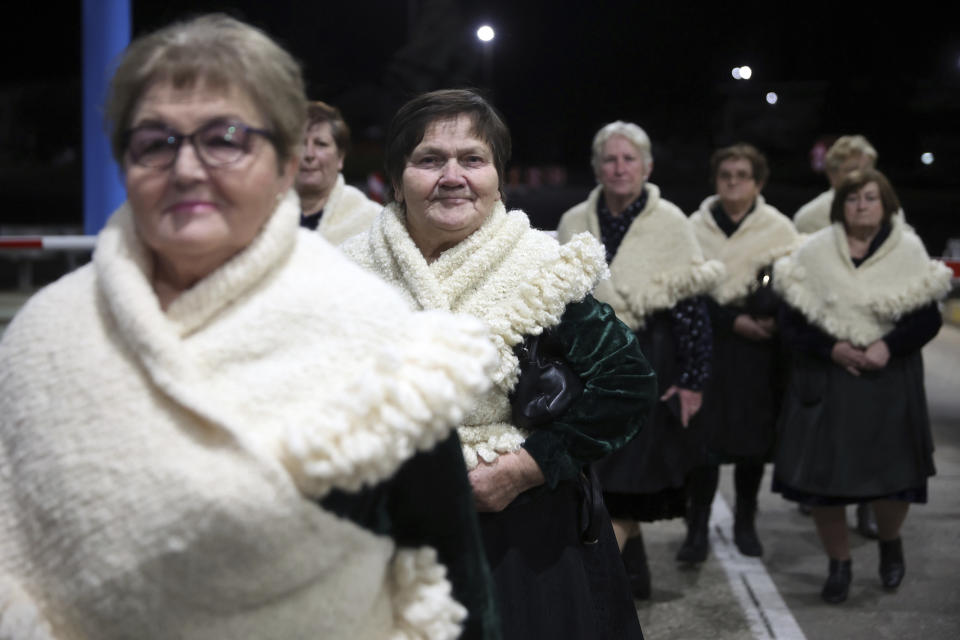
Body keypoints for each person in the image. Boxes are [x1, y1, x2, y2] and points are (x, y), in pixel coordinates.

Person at [0, 15, 503, 640]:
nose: (186, 169)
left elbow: (455, 586)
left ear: (286, 161)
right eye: (154, 141)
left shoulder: (372, 333)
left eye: (226, 137)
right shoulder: (45, 335)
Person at [342, 89, 656, 639]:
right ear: (396, 180)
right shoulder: (345, 274)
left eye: (472, 159)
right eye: (429, 159)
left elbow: (626, 386)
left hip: (519, 535)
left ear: (498, 177)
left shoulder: (542, 267)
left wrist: (526, 467)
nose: (452, 176)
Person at [556, 121, 722, 599]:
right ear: (596, 167)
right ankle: (634, 571)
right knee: (600, 474)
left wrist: (693, 379)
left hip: (650, 359)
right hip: (587, 364)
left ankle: (605, 583)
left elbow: (691, 305)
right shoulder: (572, 223)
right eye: (610, 159)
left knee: (631, 473)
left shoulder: (671, 222)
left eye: (629, 159)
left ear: (647, 166)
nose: (619, 167)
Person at [772, 168, 951, 604]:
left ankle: (890, 542)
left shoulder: (907, 250)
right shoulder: (814, 252)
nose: (862, 205)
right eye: (853, 198)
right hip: (828, 380)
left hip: (889, 381)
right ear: (840, 205)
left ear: (886, 204)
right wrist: (831, 347)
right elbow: (790, 321)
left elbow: (928, 317)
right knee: (823, 485)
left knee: (894, 484)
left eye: (871, 197)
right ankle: (840, 564)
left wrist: (890, 345)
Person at [682, 143, 801, 562]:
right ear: (715, 180)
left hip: (759, 355)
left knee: (753, 441)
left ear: (758, 182)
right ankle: (696, 529)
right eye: (726, 175)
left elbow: (797, 286)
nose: (733, 182)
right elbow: (685, 289)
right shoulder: (692, 227)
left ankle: (745, 523)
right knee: (702, 442)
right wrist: (731, 321)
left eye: (742, 175)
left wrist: (772, 317)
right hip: (706, 345)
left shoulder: (780, 229)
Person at [296, 100, 381, 243]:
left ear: (340, 157)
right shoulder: (260, 214)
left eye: (320, 144)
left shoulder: (373, 222)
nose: (309, 154)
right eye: (301, 144)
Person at [793, 135, 877, 234]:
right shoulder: (809, 218)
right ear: (833, 175)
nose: (863, 176)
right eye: (852, 170)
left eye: (867, 169)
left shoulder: (888, 211)